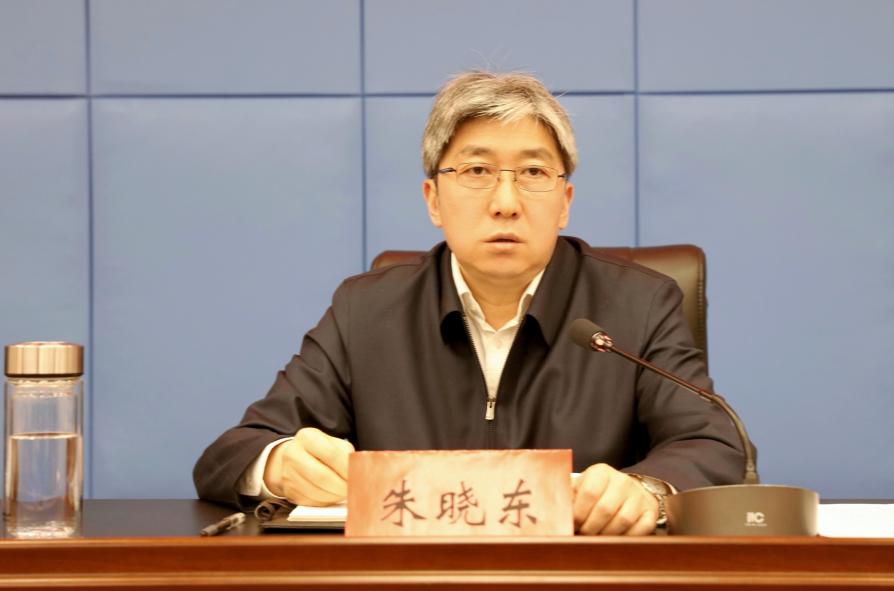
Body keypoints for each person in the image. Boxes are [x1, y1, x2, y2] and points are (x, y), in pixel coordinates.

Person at [193, 71, 746, 535]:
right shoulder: (366, 311)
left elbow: (713, 442)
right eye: (477, 171)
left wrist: (646, 490)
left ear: (565, 202)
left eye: (533, 172)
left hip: (580, 580)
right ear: (433, 199)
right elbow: (231, 453)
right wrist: (279, 464)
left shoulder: (639, 304)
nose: (505, 202)